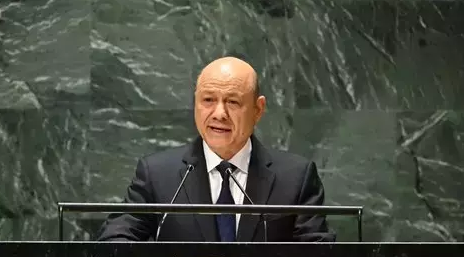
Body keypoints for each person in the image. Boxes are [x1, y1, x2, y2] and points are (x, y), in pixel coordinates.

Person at [97, 56, 335, 242]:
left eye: (232, 102)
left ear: (258, 109)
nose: (219, 114)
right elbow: (115, 240)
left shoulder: (295, 178)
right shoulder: (157, 174)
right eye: (208, 100)